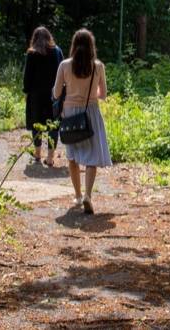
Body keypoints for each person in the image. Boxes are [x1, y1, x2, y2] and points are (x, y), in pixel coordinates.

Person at [52, 28, 111, 214]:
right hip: (90, 112)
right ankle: (88, 195)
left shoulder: (64, 65)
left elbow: (56, 93)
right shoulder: (98, 66)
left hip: (70, 114)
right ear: (92, 45)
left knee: (73, 155)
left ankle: (77, 196)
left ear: (74, 44)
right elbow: (103, 95)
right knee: (91, 156)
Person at [22, 26, 63, 166]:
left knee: (36, 124)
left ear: (34, 38)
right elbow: (62, 73)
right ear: (49, 37)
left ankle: (38, 154)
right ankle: (50, 157)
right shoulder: (57, 52)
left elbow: (27, 76)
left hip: (36, 96)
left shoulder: (31, 53)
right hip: (54, 95)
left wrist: (26, 92)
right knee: (53, 125)